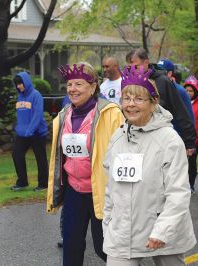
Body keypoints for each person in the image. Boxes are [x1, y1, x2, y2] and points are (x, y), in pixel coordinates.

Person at [103, 66, 196, 266]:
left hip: (162, 228)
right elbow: (111, 187)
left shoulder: (169, 140)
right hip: (123, 230)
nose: (131, 105)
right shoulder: (118, 136)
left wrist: (163, 230)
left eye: (138, 99)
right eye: (126, 99)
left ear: (154, 103)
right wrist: (108, 222)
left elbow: (178, 192)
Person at [46, 62, 124, 266]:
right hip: (74, 189)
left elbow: (125, 152)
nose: (72, 89)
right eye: (70, 84)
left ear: (93, 86)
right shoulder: (64, 115)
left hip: (102, 190)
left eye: (79, 84)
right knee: (71, 244)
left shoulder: (111, 113)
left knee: (103, 247)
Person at [127, 48, 196, 156]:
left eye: (136, 67)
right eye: (130, 68)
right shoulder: (130, 81)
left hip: (160, 140)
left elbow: (180, 111)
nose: (133, 71)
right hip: (136, 138)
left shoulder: (163, 82)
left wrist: (189, 141)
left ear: (146, 62)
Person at [10, 71, 49, 191]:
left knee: (40, 158)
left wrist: (30, 130)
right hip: (23, 133)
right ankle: (22, 182)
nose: (18, 86)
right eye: (17, 84)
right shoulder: (20, 96)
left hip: (37, 133)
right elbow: (21, 116)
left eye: (20, 83)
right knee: (16, 154)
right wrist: (19, 129)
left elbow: (37, 115)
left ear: (26, 82)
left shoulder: (36, 95)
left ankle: (43, 184)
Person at [156, 58, 195, 125]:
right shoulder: (154, 88)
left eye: (160, 71)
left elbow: (189, 118)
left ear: (169, 73)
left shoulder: (180, 91)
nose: (157, 73)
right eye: (156, 70)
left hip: (176, 133)